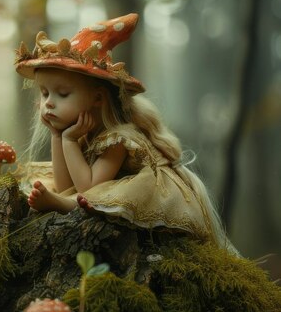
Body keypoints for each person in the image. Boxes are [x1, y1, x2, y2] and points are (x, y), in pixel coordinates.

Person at [14, 13, 237, 254]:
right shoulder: (81, 129)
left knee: (102, 198)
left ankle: (64, 207)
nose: (48, 103)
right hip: (95, 187)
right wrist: (58, 137)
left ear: (98, 98)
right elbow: (65, 184)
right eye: (45, 93)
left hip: (146, 191)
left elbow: (89, 190)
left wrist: (67, 141)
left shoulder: (120, 138)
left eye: (63, 94)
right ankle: (62, 204)